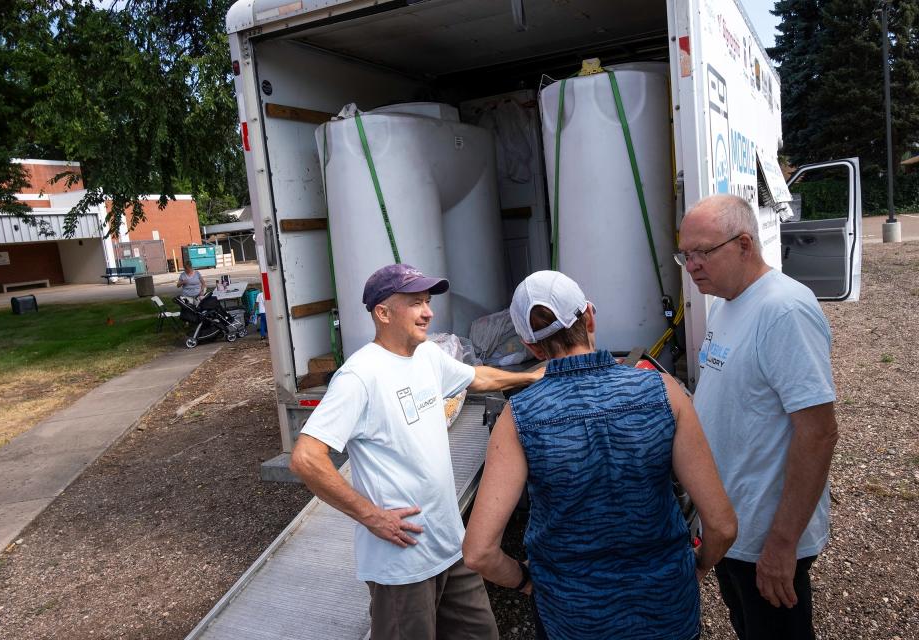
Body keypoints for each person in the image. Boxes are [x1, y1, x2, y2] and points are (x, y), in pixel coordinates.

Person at [462, 270, 737, 640]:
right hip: (666, 608)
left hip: (573, 618)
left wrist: (528, 581)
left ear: (530, 347)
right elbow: (721, 525)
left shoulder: (520, 417)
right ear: (589, 315)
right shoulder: (662, 390)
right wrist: (697, 567)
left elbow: (479, 553)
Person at [290, 263, 543, 640]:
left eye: (427, 301)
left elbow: (478, 378)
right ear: (383, 312)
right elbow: (306, 458)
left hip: (450, 547)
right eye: (416, 303)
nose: (429, 311)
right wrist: (372, 516)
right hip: (401, 563)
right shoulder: (360, 376)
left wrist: (533, 376)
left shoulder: (426, 356)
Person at [677, 194, 839, 640]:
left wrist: (782, 544)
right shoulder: (727, 303)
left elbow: (819, 432)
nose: (691, 266)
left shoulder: (784, 310)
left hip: (767, 534)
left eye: (702, 253)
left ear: (744, 245)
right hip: (731, 524)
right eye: (685, 254)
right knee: (748, 625)